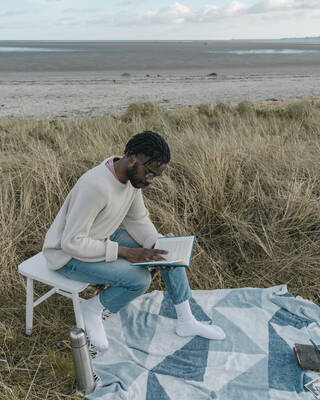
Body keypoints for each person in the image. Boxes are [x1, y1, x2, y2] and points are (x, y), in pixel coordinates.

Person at [43, 130, 225, 350]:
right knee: (139, 281)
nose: (151, 181)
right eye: (149, 173)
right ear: (132, 158)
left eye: (155, 176)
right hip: (67, 257)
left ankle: (186, 321)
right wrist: (125, 252)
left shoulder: (129, 178)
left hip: (101, 237)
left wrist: (156, 242)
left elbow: (138, 219)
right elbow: (71, 242)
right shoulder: (95, 187)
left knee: (166, 252)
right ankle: (92, 309)